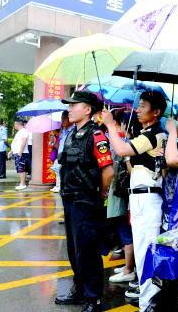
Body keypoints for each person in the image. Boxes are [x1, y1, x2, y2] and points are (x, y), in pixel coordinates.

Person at [101, 90, 167, 310]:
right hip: (141, 198)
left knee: (146, 251)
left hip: (148, 199)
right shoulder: (149, 133)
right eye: (138, 105)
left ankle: (149, 302)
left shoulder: (154, 134)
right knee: (141, 250)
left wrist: (110, 124)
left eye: (142, 106)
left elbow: (120, 149)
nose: (138, 110)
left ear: (156, 112)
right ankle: (148, 299)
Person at [55, 91, 114, 312]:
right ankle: (79, 290)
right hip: (69, 199)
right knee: (73, 249)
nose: (69, 109)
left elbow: (108, 171)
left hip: (86, 201)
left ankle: (94, 298)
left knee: (87, 251)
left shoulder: (96, 135)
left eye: (74, 105)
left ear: (87, 109)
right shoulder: (71, 134)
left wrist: (100, 194)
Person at [106, 109, 137, 287]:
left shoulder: (127, 144)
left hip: (122, 192)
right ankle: (128, 266)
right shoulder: (127, 141)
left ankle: (128, 269)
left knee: (125, 229)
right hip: (121, 191)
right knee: (123, 228)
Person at [50, 111, 72, 193]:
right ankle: (59, 187)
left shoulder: (73, 130)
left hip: (68, 159)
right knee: (58, 173)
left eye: (64, 119)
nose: (62, 121)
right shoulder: (63, 131)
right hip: (60, 157)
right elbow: (58, 145)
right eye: (61, 119)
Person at [7, 119, 29, 190]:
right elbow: (16, 143)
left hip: (22, 153)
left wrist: (20, 152)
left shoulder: (24, 131)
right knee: (20, 168)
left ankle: (22, 184)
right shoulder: (20, 132)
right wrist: (11, 151)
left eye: (14, 124)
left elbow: (23, 142)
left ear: (17, 124)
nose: (14, 125)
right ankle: (22, 183)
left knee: (21, 168)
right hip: (18, 152)